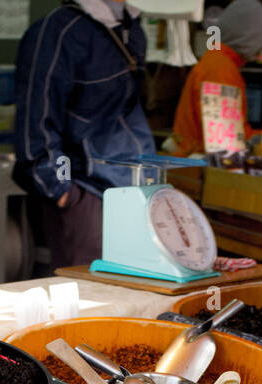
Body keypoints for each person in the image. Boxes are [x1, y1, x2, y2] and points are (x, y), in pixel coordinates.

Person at [14, 0, 156, 270]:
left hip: (134, 190)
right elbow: (35, 128)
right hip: (87, 194)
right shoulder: (58, 31)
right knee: (88, 302)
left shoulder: (132, 27)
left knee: (129, 297)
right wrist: (63, 193)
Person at [168, 0, 262, 157]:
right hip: (199, 165)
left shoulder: (215, 59)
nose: (261, 48)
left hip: (192, 158)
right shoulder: (221, 70)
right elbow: (227, 138)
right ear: (249, 38)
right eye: (261, 41)